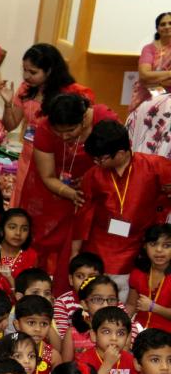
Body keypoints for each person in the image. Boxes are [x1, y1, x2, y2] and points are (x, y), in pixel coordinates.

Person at [28, 93, 118, 290]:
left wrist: (92, 179)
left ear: (84, 118)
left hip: (95, 194)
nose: (64, 137)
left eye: (70, 130)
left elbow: (118, 161)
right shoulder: (45, 130)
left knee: (84, 241)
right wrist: (70, 193)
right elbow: (47, 176)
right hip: (53, 194)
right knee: (45, 241)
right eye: (58, 132)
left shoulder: (104, 120)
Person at [73, 120, 171, 298]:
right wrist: (74, 252)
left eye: (101, 158)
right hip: (100, 245)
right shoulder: (93, 175)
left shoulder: (154, 166)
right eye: (94, 159)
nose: (97, 162)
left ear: (120, 153)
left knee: (127, 298)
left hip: (136, 246)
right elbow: (83, 215)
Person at [0, 43, 92, 207]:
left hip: (55, 157)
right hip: (28, 156)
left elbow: (83, 128)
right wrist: (7, 104)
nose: (26, 76)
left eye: (33, 72)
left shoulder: (70, 94)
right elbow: (10, 125)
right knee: (23, 201)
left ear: (49, 71)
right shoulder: (26, 89)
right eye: (24, 70)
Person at [129, 12, 171, 112]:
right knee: (146, 118)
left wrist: (154, 78)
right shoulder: (149, 49)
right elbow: (144, 75)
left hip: (168, 101)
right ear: (157, 29)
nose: (167, 26)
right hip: (146, 96)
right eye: (163, 24)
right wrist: (169, 74)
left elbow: (149, 77)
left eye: (170, 23)